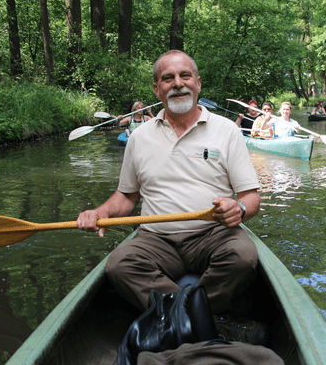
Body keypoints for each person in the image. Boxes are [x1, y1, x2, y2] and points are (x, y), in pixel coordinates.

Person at [76, 50, 261, 317]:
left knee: (242, 257)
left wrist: (239, 209)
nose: (178, 83)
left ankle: (175, 319)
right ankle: (201, 321)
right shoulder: (139, 138)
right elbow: (127, 197)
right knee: (119, 265)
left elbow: (251, 198)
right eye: (168, 78)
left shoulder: (227, 130)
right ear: (157, 89)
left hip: (214, 233)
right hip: (156, 238)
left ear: (197, 83)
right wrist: (100, 212)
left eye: (185, 75)